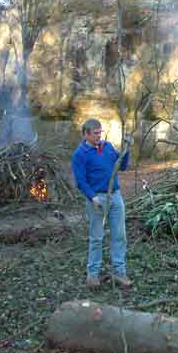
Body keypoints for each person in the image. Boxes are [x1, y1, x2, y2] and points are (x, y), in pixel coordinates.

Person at [72, 118, 133, 289]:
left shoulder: (106, 147)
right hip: (97, 199)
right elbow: (80, 181)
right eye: (95, 133)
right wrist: (92, 197)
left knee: (119, 236)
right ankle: (93, 275)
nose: (99, 136)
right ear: (86, 134)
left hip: (115, 197)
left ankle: (119, 273)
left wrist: (126, 149)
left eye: (100, 132)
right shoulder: (80, 154)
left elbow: (122, 167)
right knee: (97, 238)